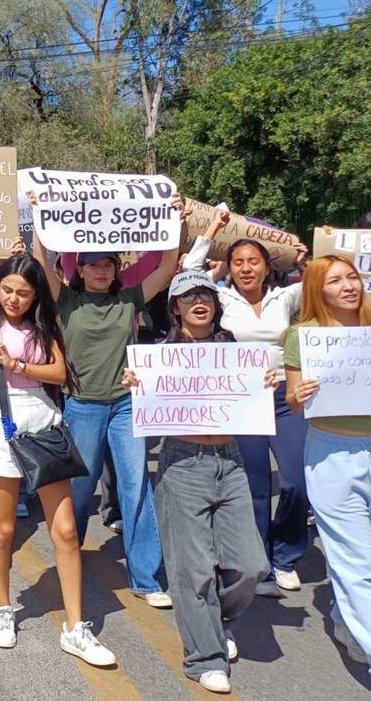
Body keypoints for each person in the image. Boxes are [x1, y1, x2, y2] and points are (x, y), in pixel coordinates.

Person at [31, 193, 184, 608]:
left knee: (136, 488)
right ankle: (69, 558)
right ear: (78, 269)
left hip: (126, 405)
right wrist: (42, 214)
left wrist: (173, 221)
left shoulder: (129, 298)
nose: (102, 270)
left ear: (117, 269)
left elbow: (168, 266)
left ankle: (146, 579)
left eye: (109, 264)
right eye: (94, 264)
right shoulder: (66, 300)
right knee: (79, 490)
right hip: (81, 406)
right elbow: (41, 261)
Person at [122, 269, 272, 693]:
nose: (198, 302)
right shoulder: (159, 353)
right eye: (189, 297)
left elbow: (249, 391)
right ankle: (205, 656)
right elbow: (147, 403)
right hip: (183, 464)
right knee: (193, 570)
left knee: (251, 564)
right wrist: (137, 384)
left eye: (206, 294)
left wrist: (265, 382)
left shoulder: (233, 349)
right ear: (175, 308)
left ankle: (211, 619)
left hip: (231, 461)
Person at [0, 254, 115, 666]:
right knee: (3, 528)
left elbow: (60, 373)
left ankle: (75, 627)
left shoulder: (44, 325)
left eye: (24, 293)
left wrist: (17, 364)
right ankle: (2, 607)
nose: (14, 299)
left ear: (36, 295)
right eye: (8, 290)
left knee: (65, 531)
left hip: (43, 426)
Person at [185, 211, 312, 597]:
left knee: (296, 480)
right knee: (255, 485)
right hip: (243, 401)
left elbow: (320, 283)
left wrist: (307, 258)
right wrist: (212, 229)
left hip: (285, 398)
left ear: (266, 266)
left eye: (252, 261)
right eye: (237, 262)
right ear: (229, 267)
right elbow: (189, 269)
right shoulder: (219, 297)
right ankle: (260, 563)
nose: (245, 268)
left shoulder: (285, 296)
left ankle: (286, 554)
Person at [284, 255, 371, 667]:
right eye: (335, 281)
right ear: (318, 289)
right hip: (332, 455)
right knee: (356, 559)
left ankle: (345, 617)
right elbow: (292, 400)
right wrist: (297, 397)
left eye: (352, 277)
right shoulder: (303, 337)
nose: (348, 286)